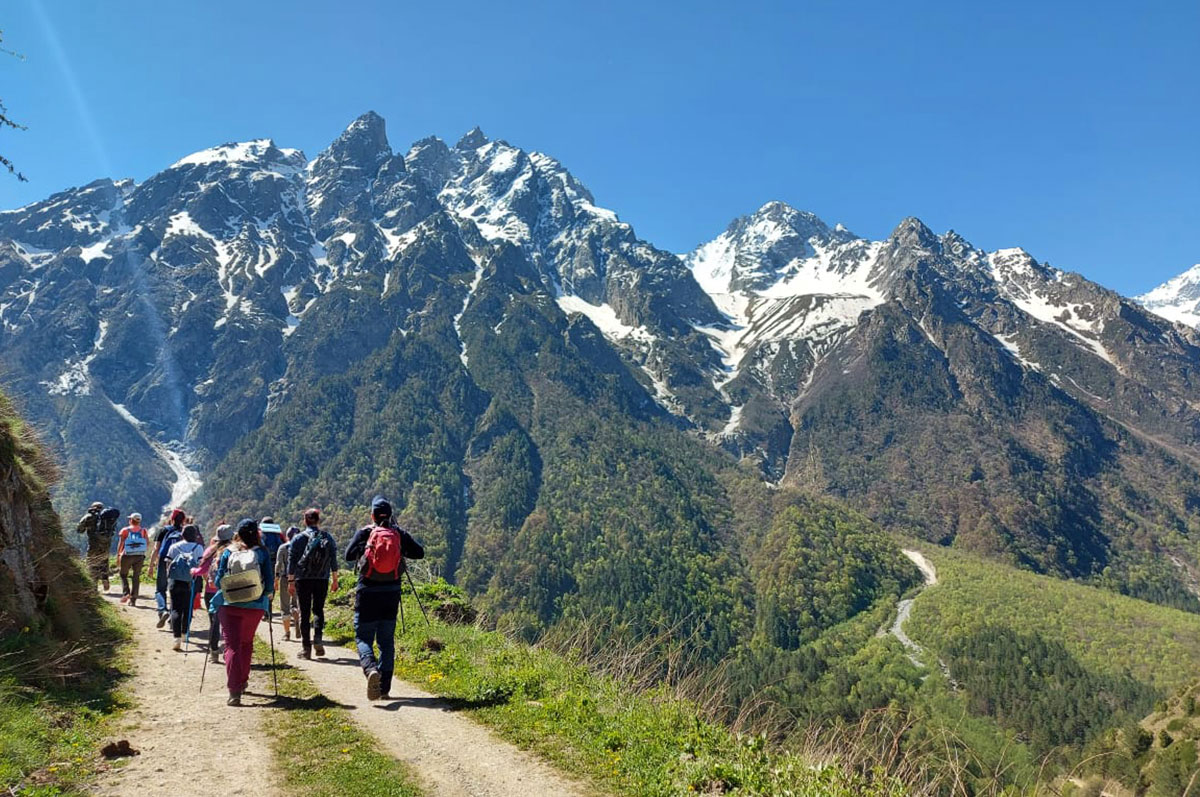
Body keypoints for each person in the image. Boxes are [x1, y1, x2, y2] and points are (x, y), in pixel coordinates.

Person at [343, 497, 423, 700]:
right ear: (390, 514)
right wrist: (399, 547)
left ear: (372, 515)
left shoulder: (365, 532)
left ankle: (370, 669)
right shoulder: (398, 533)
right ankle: (385, 688)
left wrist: (365, 547)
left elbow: (348, 555)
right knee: (386, 642)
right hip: (391, 594)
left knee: (363, 637)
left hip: (367, 592)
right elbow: (419, 553)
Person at [213, 518, 274, 706]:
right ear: (257, 533)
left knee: (231, 646)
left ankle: (234, 691)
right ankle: (243, 680)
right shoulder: (262, 553)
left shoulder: (227, 552)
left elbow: (218, 581)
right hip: (254, 605)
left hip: (229, 603)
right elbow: (269, 584)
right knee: (246, 643)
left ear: (237, 534)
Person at [288, 509, 339, 660]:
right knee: (318, 610)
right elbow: (333, 560)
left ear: (305, 521)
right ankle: (317, 637)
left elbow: (291, 562)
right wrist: (335, 579)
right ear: (318, 520)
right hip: (322, 579)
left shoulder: (297, 539)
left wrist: (290, 581)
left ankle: (306, 649)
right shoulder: (327, 537)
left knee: (305, 613)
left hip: (302, 579)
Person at [193, 523, 234, 663]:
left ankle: (214, 652)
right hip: (231, 591)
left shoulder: (210, 551)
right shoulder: (237, 551)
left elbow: (200, 571)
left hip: (211, 592)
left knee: (214, 622)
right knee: (230, 623)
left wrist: (193, 572)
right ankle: (230, 652)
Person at [164, 525, 205, 651]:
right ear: (195, 536)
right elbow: (201, 565)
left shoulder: (174, 546)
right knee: (187, 609)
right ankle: (184, 634)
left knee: (175, 608)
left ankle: (176, 638)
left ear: (182, 534)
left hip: (175, 581)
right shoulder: (199, 548)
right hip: (190, 581)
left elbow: (168, 563)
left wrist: (169, 577)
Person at [148, 508, 186, 628]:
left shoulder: (164, 530)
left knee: (160, 589)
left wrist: (151, 565)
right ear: (183, 520)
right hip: (179, 563)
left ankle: (162, 610)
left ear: (172, 518)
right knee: (176, 591)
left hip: (164, 561)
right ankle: (173, 618)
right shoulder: (185, 531)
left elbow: (156, 549)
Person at [76, 501, 119, 592]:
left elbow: (79, 530)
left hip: (94, 544)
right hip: (106, 544)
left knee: (92, 564)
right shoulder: (107, 518)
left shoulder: (89, 517)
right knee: (104, 561)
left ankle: (94, 587)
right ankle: (105, 578)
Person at [116, 513, 149, 605]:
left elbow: (121, 543)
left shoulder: (125, 530)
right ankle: (133, 599)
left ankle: (126, 593)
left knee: (123, 574)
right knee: (136, 576)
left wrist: (118, 554)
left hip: (127, 555)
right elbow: (147, 543)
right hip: (139, 556)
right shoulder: (144, 531)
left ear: (131, 520)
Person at [275, 527, 297, 642]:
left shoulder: (283, 547)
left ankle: (287, 633)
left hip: (285, 578)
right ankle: (296, 612)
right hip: (299, 579)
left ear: (287, 536)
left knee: (284, 606)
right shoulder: (302, 546)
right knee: (296, 603)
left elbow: (278, 564)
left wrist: (276, 579)